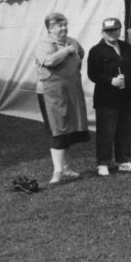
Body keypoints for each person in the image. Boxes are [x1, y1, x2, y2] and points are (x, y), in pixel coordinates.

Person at [34, 12, 89, 184]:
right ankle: (57, 171)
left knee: (67, 128)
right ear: (50, 28)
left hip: (69, 91)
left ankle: (65, 168)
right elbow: (49, 62)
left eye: (65, 24)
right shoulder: (44, 44)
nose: (64, 28)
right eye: (60, 25)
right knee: (56, 129)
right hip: (50, 93)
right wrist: (66, 50)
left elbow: (81, 53)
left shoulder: (73, 41)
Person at [87, 17, 131, 177]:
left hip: (127, 96)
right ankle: (103, 163)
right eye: (108, 31)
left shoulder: (126, 46)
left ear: (120, 30)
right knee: (106, 132)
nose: (112, 33)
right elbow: (93, 74)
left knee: (125, 131)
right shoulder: (96, 51)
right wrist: (110, 80)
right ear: (103, 32)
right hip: (107, 98)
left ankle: (124, 161)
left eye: (115, 30)